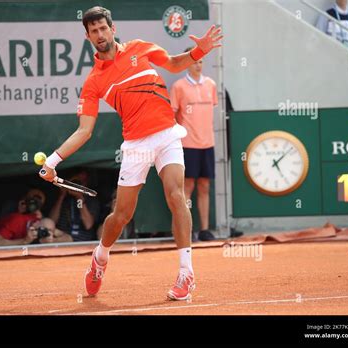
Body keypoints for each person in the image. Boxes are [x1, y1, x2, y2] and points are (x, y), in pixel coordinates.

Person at [39, 6, 222, 300]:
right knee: (121, 215)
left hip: (167, 134)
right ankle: (100, 258)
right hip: (136, 144)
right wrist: (52, 160)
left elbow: (175, 64)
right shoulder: (93, 82)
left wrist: (198, 52)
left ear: (113, 28)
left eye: (103, 28)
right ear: (88, 37)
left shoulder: (141, 48)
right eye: (94, 31)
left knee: (177, 195)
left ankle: (186, 273)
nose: (100, 34)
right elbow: (84, 131)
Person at [170, 47, 218, 242]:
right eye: (195, 61)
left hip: (208, 144)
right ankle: (187, 230)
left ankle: (205, 230)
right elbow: (172, 116)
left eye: (200, 61)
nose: (198, 65)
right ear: (188, 64)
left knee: (205, 186)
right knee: (187, 186)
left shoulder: (211, 85)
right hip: (187, 144)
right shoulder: (178, 87)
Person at [48, 171, 99, 242]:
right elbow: (51, 221)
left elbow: (88, 224)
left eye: (79, 183)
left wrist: (79, 197)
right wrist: (62, 196)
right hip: (61, 236)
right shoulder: (63, 199)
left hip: (82, 240)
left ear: (86, 184)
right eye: (74, 182)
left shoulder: (90, 200)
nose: (76, 186)